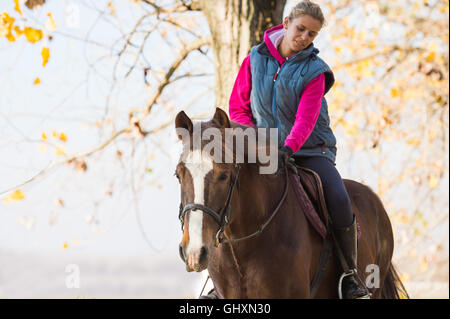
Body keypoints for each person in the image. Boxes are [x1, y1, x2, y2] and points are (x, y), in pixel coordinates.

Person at [227, 0, 370, 299]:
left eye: (312, 34)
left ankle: (350, 276)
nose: (304, 37)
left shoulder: (315, 71)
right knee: (228, 192)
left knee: (338, 197)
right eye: (301, 28)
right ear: (288, 22)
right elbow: (238, 108)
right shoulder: (254, 58)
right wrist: (257, 141)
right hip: (263, 148)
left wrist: (287, 149)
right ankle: (221, 281)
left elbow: (305, 120)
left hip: (309, 150)